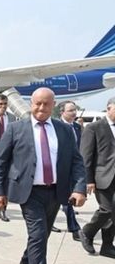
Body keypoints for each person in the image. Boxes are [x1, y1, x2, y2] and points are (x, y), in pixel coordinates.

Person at [0, 87, 86, 264]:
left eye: (46, 104)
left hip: (56, 191)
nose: (41, 108)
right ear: (31, 104)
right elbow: (1, 162)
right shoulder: (16, 129)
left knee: (43, 234)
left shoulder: (64, 130)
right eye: (37, 103)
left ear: (54, 105)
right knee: (38, 235)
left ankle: (27, 261)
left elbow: (76, 161)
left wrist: (79, 188)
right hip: (29, 192)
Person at [79, 97, 115, 258]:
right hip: (102, 177)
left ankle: (107, 245)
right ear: (109, 108)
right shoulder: (94, 128)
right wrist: (88, 180)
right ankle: (87, 232)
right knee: (107, 209)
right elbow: (86, 156)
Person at [51, 101, 84, 241]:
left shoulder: (77, 127)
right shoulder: (55, 126)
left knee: (65, 198)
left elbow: (80, 147)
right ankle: (74, 228)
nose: (74, 113)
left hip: (73, 167)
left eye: (75, 110)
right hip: (60, 168)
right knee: (65, 199)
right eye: (70, 110)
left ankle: (52, 222)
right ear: (62, 112)